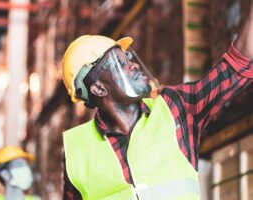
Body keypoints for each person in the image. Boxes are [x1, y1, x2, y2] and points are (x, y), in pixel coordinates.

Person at [61, 5, 253, 200]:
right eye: (120, 64)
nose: (133, 64)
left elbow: (237, 65)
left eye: (128, 57)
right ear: (99, 89)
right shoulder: (77, 151)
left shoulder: (174, 108)